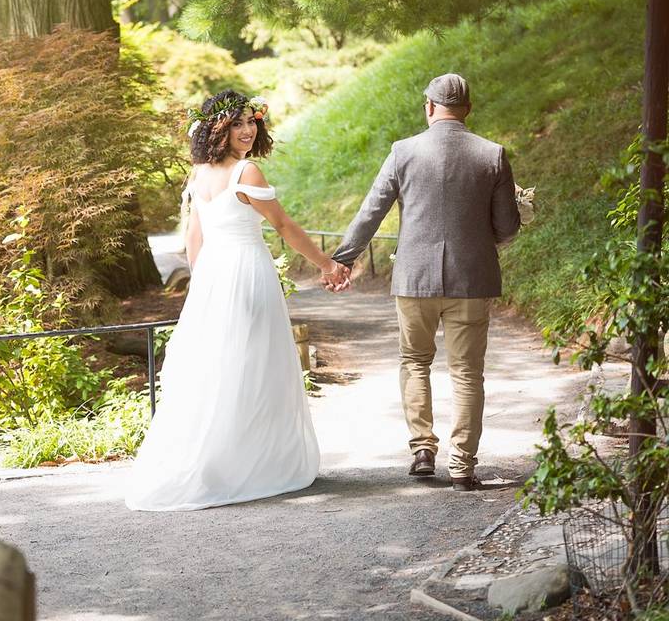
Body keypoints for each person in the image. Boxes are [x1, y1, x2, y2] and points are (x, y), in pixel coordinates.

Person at [125, 90, 348, 511]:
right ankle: (255, 463)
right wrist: (326, 263)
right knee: (256, 362)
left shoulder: (199, 173)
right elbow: (282, 225)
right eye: (238, 124)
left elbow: (195, 240)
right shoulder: (247, 172)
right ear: (217, 128)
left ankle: (220, 461)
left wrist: (202, 284)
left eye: (252, 122)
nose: (248, 131)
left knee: (220, 364)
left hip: (212, 276)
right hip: (247, 272)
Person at [329, 73, 521, 491]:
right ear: (468, 110)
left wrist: (342, 260)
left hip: (414, 280)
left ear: (429, 107)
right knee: (468, 372)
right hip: (472, 280)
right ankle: (463, 466)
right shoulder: (493, 155)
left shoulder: (403, 152)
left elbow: (370, 213)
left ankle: (422, 450)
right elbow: (507, 226)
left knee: (415, 361)